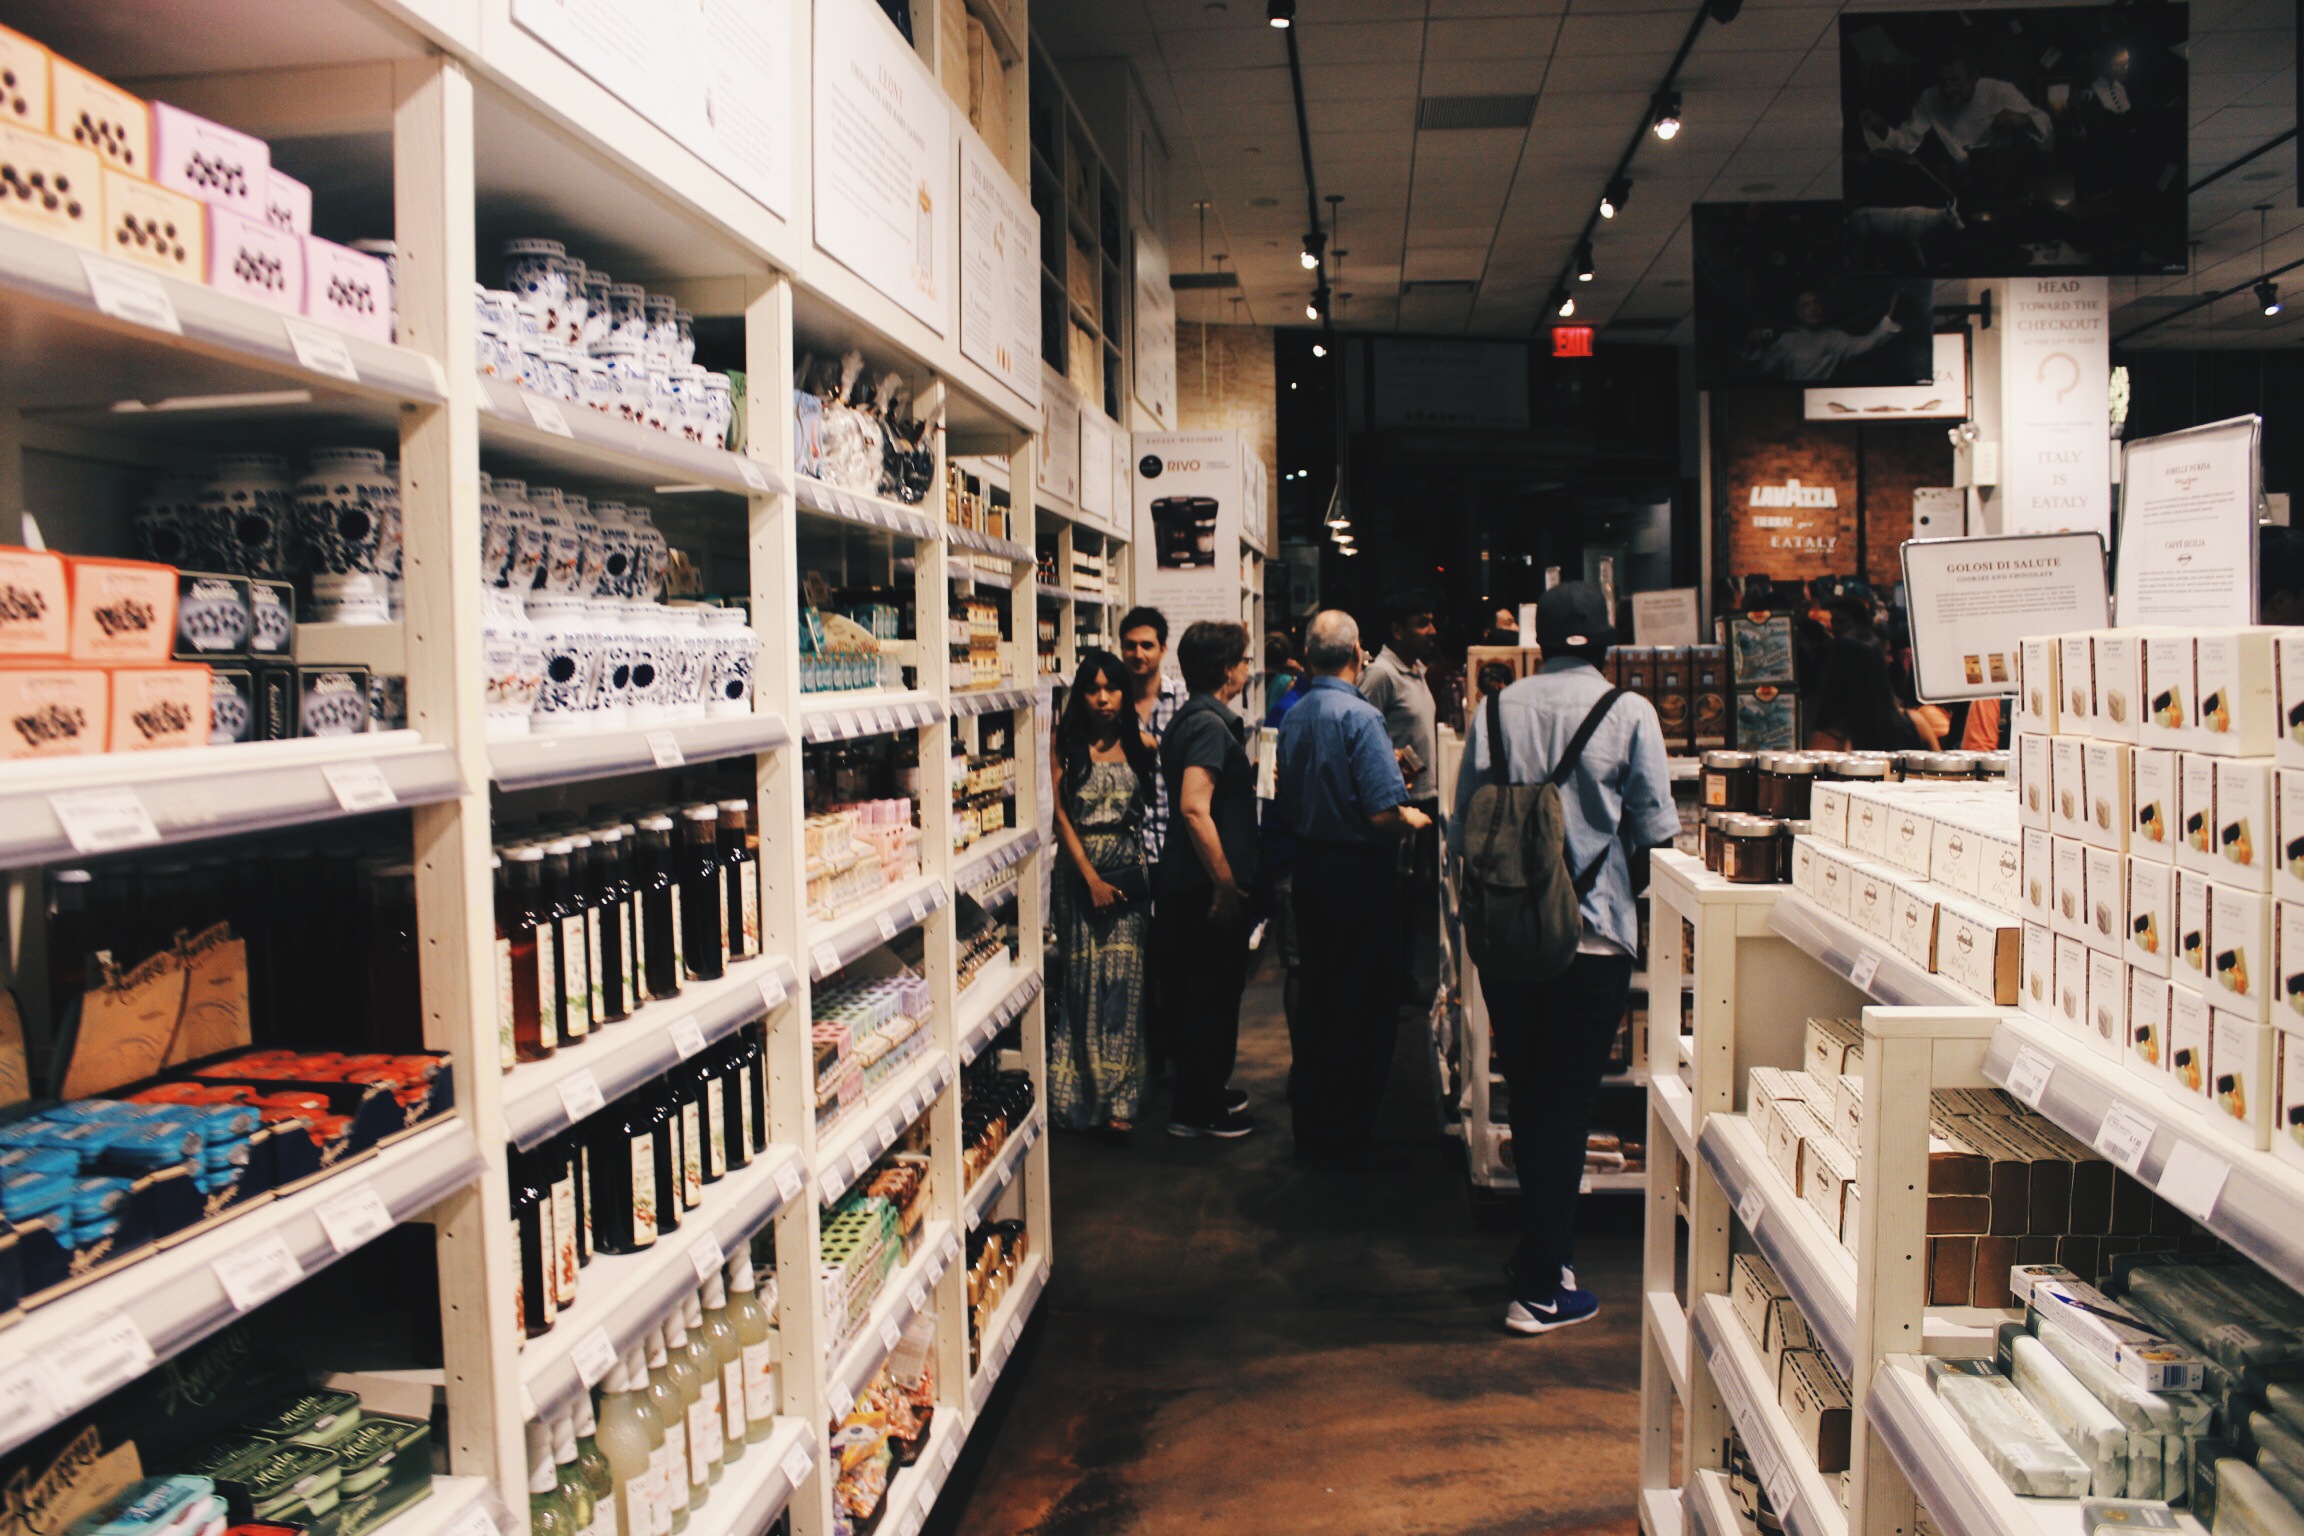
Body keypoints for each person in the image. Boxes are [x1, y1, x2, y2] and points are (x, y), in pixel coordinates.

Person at [1450, 582, 1682, 1335]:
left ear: (1539, 641)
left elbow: (1462, 827)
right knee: (1568, 1103)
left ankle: (1540, 1255)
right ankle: (1542, 1289)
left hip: (1511, 934)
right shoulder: (1630, 712)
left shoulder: (1494, 710)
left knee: (1528, 1092)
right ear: (1607, 643)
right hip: (1593, 933)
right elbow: (1656, 831)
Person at [1277, 610, 1432, 1167]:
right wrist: (1413, 819)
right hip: (1359, 874)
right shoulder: (1363, 717)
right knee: (1362, 999)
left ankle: (1313, 1119)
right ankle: (1347, 1126)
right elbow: (1382, 814)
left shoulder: (1295, 714)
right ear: (1357, 654)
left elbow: (1289, 795)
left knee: (1319, 993)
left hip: (1310, 867)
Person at [1047, 650, 1161, 1138]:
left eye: (1111, 688)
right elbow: (1061, 817)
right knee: (1082, 982)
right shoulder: (1065, 742)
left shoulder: (1143, 744)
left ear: (1124, 693)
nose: (1102, 698)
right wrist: (1090, 879)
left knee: (1123, 984)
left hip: (1127, 874)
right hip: (1079, 874)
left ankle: (1119, 1100)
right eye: (1092, 689)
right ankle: (1080, 1095)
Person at [1158, 621, 1260, 1139]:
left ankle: (1207, 1091)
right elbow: (1195, 808)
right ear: (1226, 669)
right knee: (1210, 995)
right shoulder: (1209, 726)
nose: (1247, 669)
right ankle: (1196, 1109)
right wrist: (1224, 884)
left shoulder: (1193, 718)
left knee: (1203, 992)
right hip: (1204, 888)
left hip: (1189, 881)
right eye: (1243, 661)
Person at [1359, 590, 1442, 1003]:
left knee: (1413, 894)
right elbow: (1364, 732)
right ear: (1397, 630)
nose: (1432, 630)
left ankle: (1401, 975)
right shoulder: (1381, 675)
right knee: (1398, 894)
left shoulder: (1416, 670)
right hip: (1399, 804)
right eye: (1421, 623)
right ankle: (1391, 981)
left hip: (1424, 799)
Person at [1861, 54, 2052, 166]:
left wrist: (2023, 119)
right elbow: (1907, 143)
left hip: (2001, 170)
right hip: (1959, 176)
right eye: (1942, 82)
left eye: (1955, 80)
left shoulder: (2000, 91)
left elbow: (2045, 126)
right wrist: (1880, 126)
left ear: (1974, 78)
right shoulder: (1930, 98)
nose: (1947, 89)